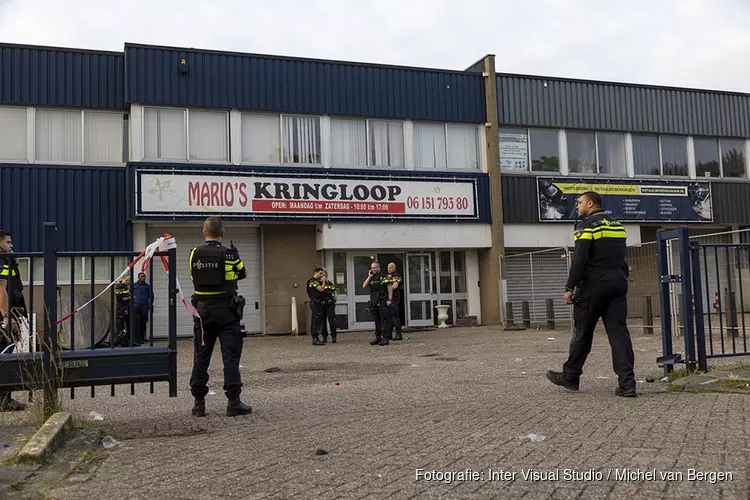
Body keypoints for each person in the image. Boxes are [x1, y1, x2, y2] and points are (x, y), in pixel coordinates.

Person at [546, 191, 637, 397]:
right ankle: (627, 384)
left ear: (590, 203)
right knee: (619, 334)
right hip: (617, 282)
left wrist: (570, 287)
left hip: (594, 285)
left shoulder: (586, 225)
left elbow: (579, 259)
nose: (577, 207)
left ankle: (570, 376)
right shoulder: (617, 225)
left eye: (579, 203)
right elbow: (621, 256)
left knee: (582, 332)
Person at [188, 217, 252, 417]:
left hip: (203, 312)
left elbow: (193, 277)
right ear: (222, 233)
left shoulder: (193, 255)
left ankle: (199, 404)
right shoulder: (230, 255)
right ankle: (233, 402)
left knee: (201, 356)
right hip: (226, 312)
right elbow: (242, 273)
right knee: (231, 357)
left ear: (203, 232)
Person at [0, 230, 27, 411]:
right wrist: (6, 317)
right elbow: (0, 290)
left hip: (7, 314)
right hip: (3, 317)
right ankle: (4, 400)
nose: (11, 246)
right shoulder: (2, 261)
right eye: (8, 242)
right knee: (5, 357)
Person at [362, 261, 390, 346]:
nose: (373, 269)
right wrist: (369, 276)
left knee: (384, 321)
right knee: (377, 321)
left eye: (375, 267)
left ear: (379, 268)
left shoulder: (384, 276)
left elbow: (390, 288)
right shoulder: (371, 277)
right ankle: (378, 337)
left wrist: (389, 299)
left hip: (382, 300)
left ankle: (385, 338)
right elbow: (364, 286)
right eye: (372, 267)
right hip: (374, 301)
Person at [383, 262, 403, 341]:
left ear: (394, 268)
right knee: (388, 316)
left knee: (394, 315)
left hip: (394, 297)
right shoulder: (387, 277)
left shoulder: (396, 276)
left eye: (391, 267)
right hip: (387, 297)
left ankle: (398, 333)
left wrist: (389, 288)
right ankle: (389, 334)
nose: (389, 269)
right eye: (388, 267)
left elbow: (395, 286)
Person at [306, 267, 326, 346]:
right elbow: (321, 289)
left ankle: (317, 337)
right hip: (315, 302)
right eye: (320, 273)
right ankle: (315, 339)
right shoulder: (312, 281)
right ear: (315, 272)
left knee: (318, 321)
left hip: (318, 302)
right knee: (316, 321)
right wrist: (324, 282)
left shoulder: (315, 281)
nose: (321, 275)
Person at [131, 272, 153, 345]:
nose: (143, 278)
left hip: (144, 307)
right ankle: (136, 339)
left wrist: (149, 306)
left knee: (143, 323)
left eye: (144, 276)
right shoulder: (134, 286)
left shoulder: (147, 287)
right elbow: (130, 295)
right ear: (138, 277)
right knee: (136, 323)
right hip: (136, 307)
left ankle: (141, 339)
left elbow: (151, 297)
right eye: (142, 276)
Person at [320, 270, 338, 344]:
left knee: (332, 321)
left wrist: (334, 300)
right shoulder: (317, 284)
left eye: (324, 276)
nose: (322, 277)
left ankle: (334, 336)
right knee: (322, 321)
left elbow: (334, 292)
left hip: (330, 304)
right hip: (321, 304)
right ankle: (324, 337)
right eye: (321, 276)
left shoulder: (330, 283)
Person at [114, 277, 131, 347]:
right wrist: (129, 298)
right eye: (130, 281)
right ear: (126, 280)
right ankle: (119, 342)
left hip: (125, 307)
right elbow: (119, 299)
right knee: (120, 325)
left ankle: (125, 341)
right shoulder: (120, 287)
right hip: (121, 308)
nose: (130, 283)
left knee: (126, 325)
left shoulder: (125, 286)